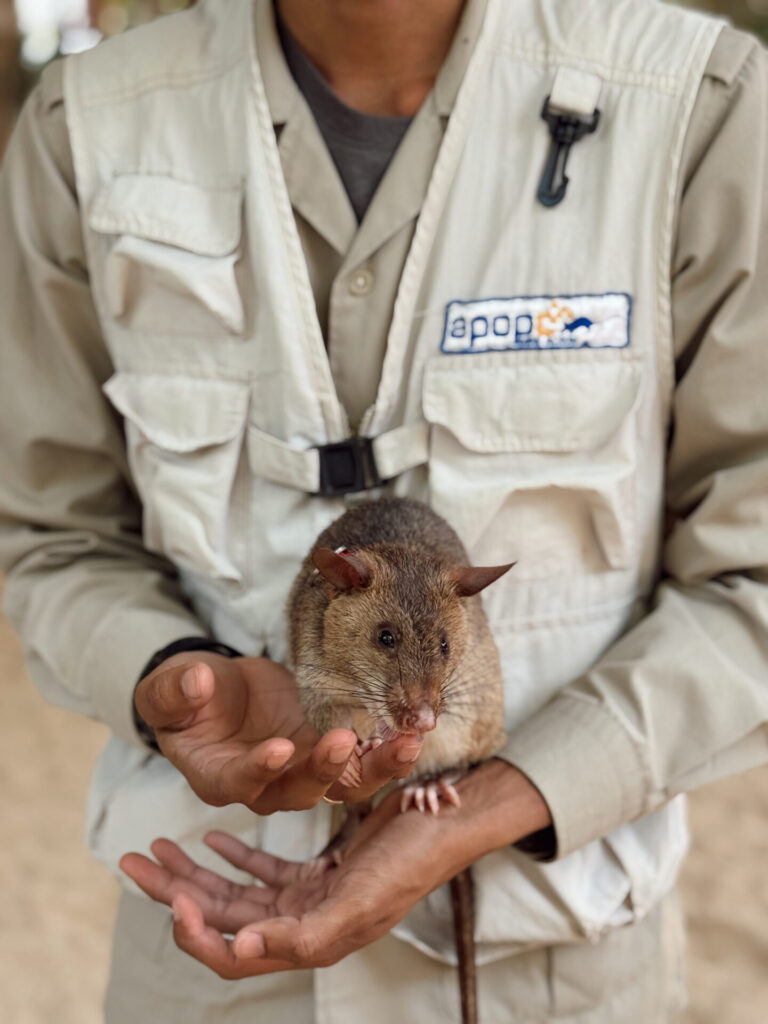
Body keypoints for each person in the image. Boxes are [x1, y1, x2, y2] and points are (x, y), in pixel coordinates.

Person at [0, 0, 766, 1021]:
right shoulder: (82, 126)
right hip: (212, 933)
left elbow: (751, 568)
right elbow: (50, 533)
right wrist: (164, 679)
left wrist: (495, 800)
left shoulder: (703, 104)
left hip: (558, 962)